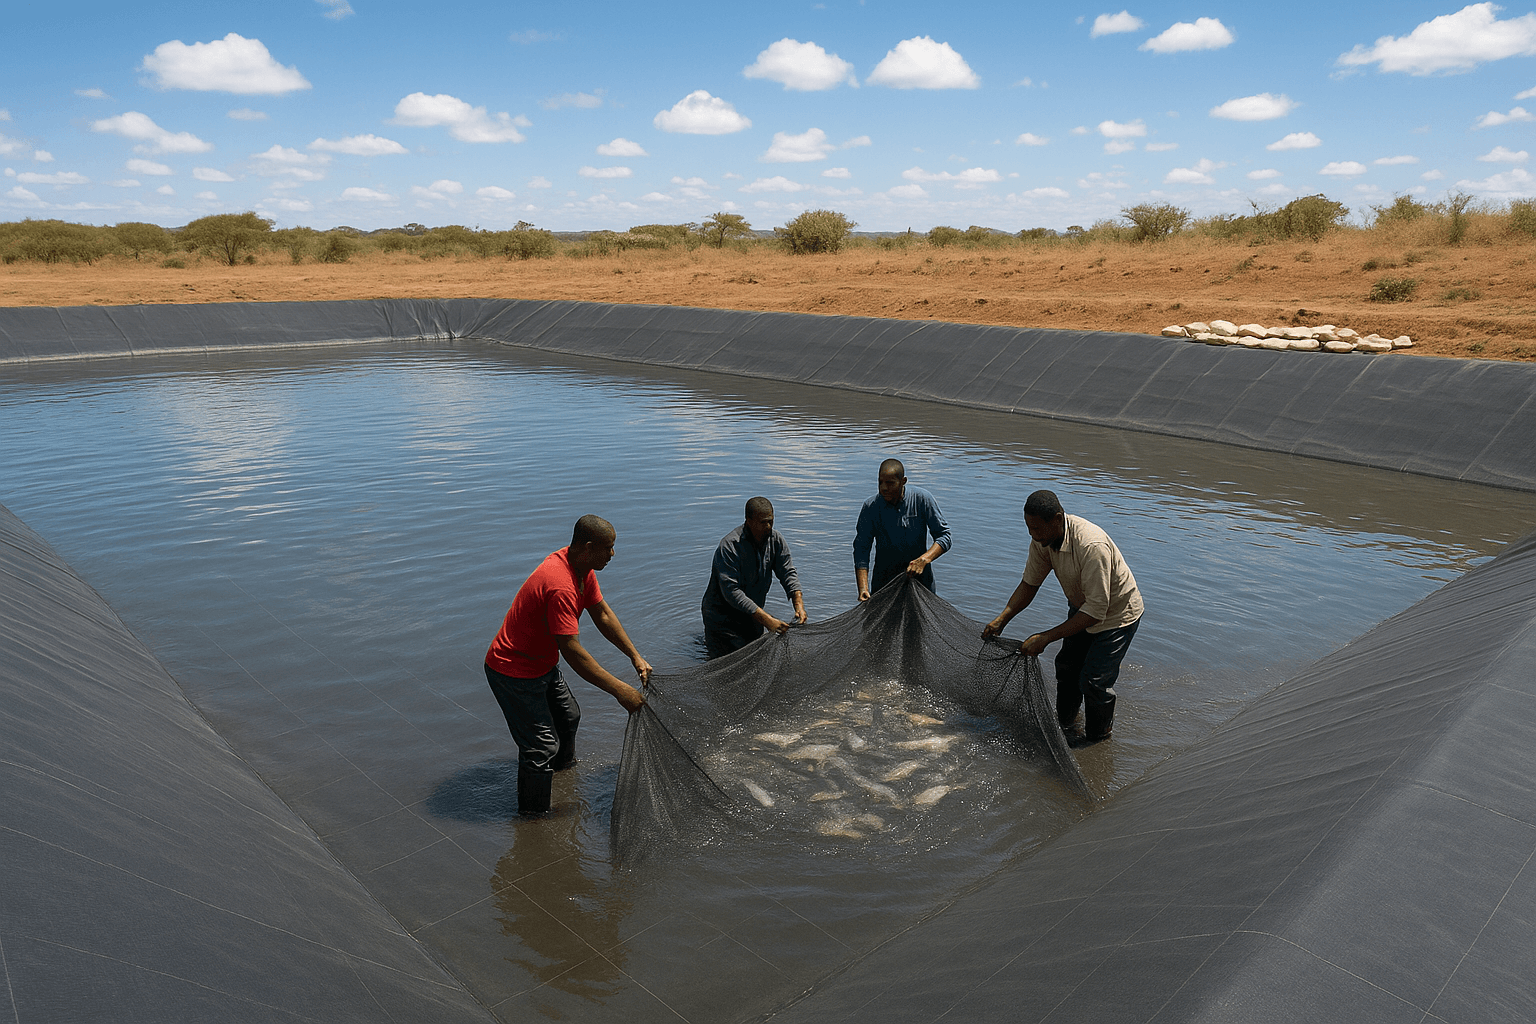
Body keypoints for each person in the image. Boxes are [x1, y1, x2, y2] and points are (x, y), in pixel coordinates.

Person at [484, 514, 652, 815]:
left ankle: (560, 777)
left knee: (568, 716)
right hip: (512, 671)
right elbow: (573, 651)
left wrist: (634, 655)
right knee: (540, 747)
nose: (613, 554)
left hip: (542, 664)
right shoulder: (560, 584)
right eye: (608, 548)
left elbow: (602, 614)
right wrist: (620, 690)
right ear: (588, 548)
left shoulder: (581, 569)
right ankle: (534, 819)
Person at [982, 490, 1143, 746]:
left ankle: (1098, 740)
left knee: (1094, 682)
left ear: (1057, 519)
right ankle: (1065, 725)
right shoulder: (1043, 540)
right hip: (1083, 607)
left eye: (1036, 528)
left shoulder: (1091, 545)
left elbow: (1097, 611)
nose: (1032, 534)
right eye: (1028, 527)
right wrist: (1003, 618)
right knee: (1067, 669)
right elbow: (1030, 583)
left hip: (1117, 616)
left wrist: (1045, 637)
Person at [701, 496, 807, 659]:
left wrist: (798, 604)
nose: (768, 526)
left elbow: (787, 572)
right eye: (763, 522)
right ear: (749, 521)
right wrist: (767, 620)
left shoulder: (776, 540)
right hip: (722, 619)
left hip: (752, 615)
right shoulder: (729, 546)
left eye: (771, 521)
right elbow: (732, 592)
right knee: (725, 661)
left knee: (754, 657)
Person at [853, 458, 952, 601]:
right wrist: (863, 588)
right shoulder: (871, 507)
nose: (883, 488)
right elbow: (861, 548)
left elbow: (944, 536)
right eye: (880, 482)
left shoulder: (922, 499)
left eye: (890, 483)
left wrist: (924, 560)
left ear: (903, 481)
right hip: (884, 583)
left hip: (920, 582)